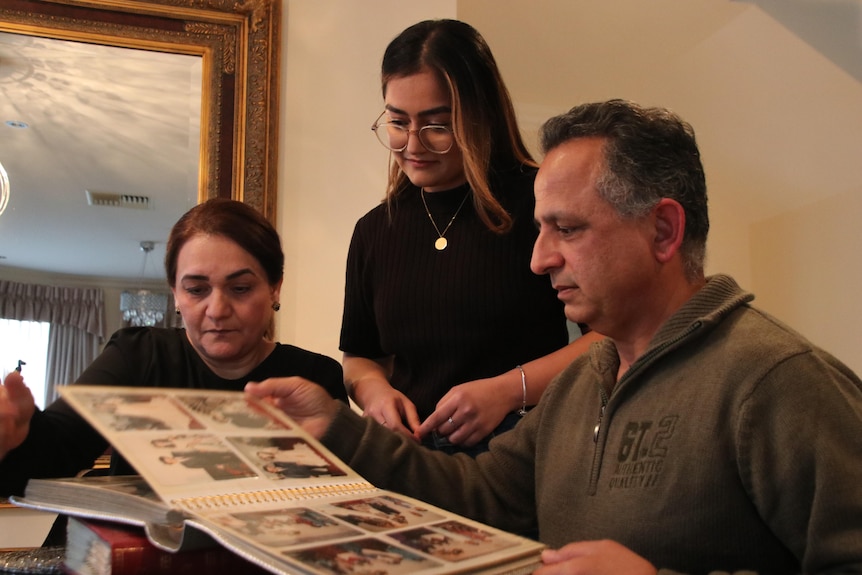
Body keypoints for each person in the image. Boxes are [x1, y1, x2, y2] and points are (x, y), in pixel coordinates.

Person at [248, 100, 862, 573]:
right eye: (541, 230)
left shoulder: (778, 383)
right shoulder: (583, 380)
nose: (539, 260)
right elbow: (483, 497)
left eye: (565, 229)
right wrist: (337, 428)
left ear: (664, 231)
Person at [340, 19, 600, 455]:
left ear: (481, 114)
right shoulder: (374, 230)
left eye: (437, 125)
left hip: (524, 458)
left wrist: (507, 391)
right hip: (411, 465)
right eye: (398, 122)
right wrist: (374, 394)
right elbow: (360, 358)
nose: (412, 144)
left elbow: (610, 336)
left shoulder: (541, 203)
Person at [0, 198, 347, 497]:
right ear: (176, 295)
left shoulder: (315, 376)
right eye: (197, 290)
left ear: (275, 288)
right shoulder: (136, 356)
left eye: (240, 288)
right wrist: (15, 440)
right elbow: (55, 453)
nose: (217, 310)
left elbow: (343, 497)